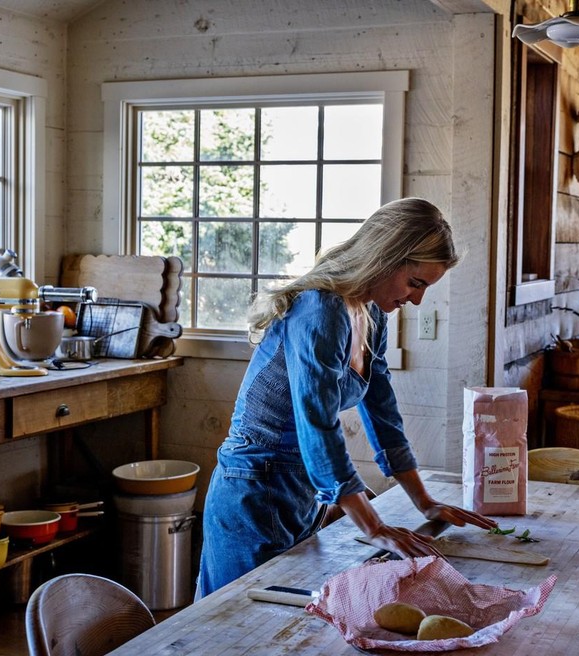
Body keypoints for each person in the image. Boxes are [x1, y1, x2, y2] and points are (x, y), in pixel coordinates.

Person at [196, 197, 497, 598]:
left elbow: (384, 414)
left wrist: (425, 502)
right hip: (252, 489)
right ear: (384, 259)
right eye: (416, 283)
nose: (417, 300)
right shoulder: (319, 308)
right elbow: (317, 423)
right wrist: (373, 526)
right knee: (230, 615)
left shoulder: (373, 315)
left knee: (284, 615)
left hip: (300, 490)